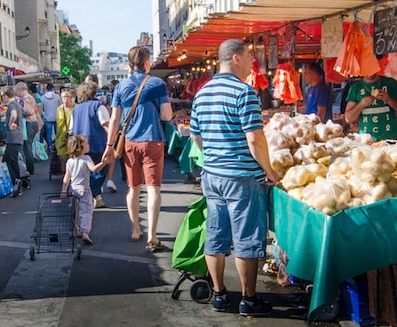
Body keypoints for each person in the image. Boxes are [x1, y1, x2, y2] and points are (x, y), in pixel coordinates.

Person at [189, 39, 281, 316]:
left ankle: (219, 295)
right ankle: (248, 299)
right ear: (236, 58)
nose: (253, 63)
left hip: (212, 175)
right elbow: (254, 139)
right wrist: (270, 171)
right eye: (250, 57)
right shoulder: (245, 92)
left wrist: (215, 154)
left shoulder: (202, 93)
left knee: (215, 235)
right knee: (247, 238)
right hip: (242, 178)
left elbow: (195, 135)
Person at [107, 46, 172, 250]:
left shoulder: (121, 86)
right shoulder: (157, 84)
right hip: (152, 140)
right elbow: (166, 115)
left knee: (133, 188)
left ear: (129, 64)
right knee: (153, 189)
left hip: (129, 142)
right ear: (146, 63)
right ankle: (152, 235)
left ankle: (135, 229)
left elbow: (114, 119)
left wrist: (109, 145)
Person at [61, 135, 109, 245]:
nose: (88, 145)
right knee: (86, 211)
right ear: (81, 147)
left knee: (76, 210)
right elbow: (94, 169)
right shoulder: (86, 159)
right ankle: (85, 231)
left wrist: (63, 190)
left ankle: (78, 229)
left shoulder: (70, 161)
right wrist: (104, 162)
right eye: (86, 143)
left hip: (73, 189)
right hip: (85, 190)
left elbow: (67, 177)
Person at [71, 81, 111, 209]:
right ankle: (92, 194)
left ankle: (97, 198)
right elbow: (106, 125)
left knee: (85, 172)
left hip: (79, 145)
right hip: (96, 143)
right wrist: (112, 142)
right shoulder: (99, 106)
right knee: (99, 170)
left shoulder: (75, 109)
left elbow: (71, 129)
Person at [344, 71, 397, 142]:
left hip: (391, 139)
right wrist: (361, 104)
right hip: (366, 140)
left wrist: (389, 100)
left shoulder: (391, 83)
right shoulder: (355, 88)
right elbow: (348, 118)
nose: (369, 71)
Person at [0, 86, 25, 195]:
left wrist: (10, 123)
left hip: (14, 137)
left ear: (6, 95)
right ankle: (16, 180)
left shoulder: (12, 105)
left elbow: (14, 115)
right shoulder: (16, 104)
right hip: (15, 137)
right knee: (9, 159)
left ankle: (17, 180)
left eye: (2, 96)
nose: (2, 99)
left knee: (11, 160)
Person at [14, 81, 38, 176]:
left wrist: (18, 110)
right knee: (27, 146)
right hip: (32, 123)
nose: (16, 93)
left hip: (30, 123)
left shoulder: (26, 97)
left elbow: (28, 111)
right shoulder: (29, 97)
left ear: (20, 89)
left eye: (17, 91)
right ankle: (29, 169)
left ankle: (29, 170)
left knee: (27, 147)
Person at [55, 87, 76, 171]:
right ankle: (66, 173)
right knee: (62, 156)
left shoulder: (76, 107)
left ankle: (72, 175)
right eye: (64, 97)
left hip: (73, 136)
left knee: (72, 156)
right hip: (61, 136)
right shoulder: (59, 109)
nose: (66, 99)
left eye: (68, 96)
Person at [41, 83, 62, 153]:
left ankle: (50, 148)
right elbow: (60, 106)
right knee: (58, 133)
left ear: (46, 89)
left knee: (48, 134)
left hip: (47, 118)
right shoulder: (57, 96)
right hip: (57, 117)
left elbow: (41, 108)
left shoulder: (43, 97)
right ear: (53, 89)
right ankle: (58, 146)